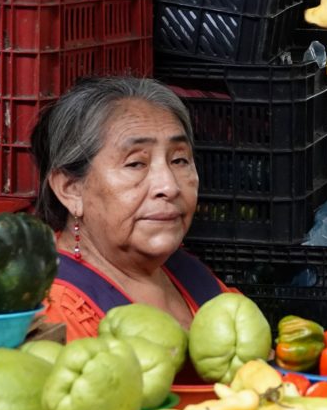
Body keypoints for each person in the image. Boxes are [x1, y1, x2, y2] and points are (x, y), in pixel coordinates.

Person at [31, 76, 232, 343]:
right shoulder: (54, 312)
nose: (169, 186)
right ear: (71, 189)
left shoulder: (186, 273)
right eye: (136, 164)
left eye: (179, 159)